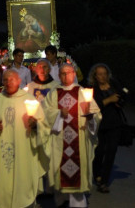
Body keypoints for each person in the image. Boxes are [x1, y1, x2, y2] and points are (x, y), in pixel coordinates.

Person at [43, 63, 101, 208]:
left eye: (68, 72)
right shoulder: (53, 92)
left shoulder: (82, 92)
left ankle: (78, 204)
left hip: (79, 138)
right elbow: (44, 112)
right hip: (59, 139)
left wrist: (90, 118)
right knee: (59, 171)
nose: (65, 75)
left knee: (77, 175)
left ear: (74, 74)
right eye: (62, 73)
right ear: (59, 75)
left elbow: (97, 114)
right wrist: (57, 114)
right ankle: (61, 201)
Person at [0, 70, 50, 208]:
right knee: (2, 189)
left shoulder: (29, 100)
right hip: (2, 151)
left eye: (11, 79)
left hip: (24, 151)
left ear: (18, 81)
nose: (8, 82)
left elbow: (44, 127)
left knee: (23, 187)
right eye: (5, 79)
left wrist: (36, 125)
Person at [88, 63, 125, 193]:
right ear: (95, 76)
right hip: (100, 125)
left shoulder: (114, 85)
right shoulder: (92, 89)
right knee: (99, 152)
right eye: (100, 74)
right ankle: (97, 173)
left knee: (111, 151)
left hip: (114, 124)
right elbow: (94, 105)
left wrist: (120, 101)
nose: (103, 77)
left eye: (105, 74)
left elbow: (123, 97)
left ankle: (104, 181)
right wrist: (109, 100)